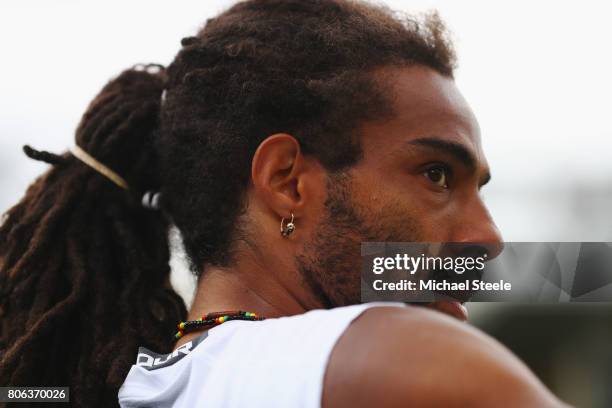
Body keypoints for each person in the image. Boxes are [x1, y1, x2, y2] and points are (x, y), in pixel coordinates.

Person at [0, 0, 570, 406]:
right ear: (287, 182)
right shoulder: (397, 356)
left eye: (479, 188)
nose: (489, 238)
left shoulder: (107, 385)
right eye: (437, 174)